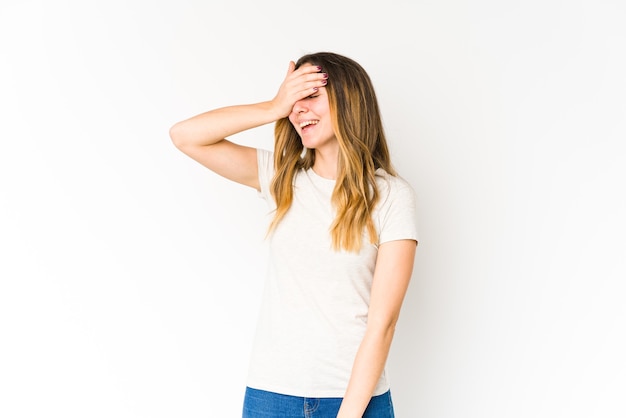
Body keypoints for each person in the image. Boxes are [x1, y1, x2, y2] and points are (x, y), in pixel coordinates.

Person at [169, 51, 418, 418]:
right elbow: (185, 136)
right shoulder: (280, 177)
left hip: (355, 399)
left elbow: (383, 323)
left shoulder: (391, 196)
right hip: (272, 396)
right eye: (294, 100)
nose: (298, 110)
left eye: (310, 95)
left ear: (349, 101)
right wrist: (273, 105)